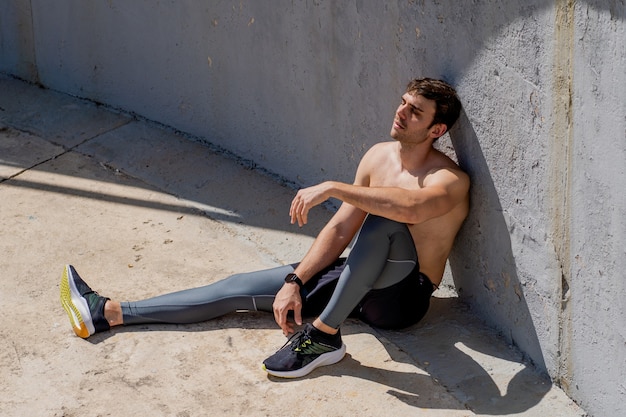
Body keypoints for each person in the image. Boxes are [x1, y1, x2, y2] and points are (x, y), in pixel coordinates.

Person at [60, 77, 469, 379]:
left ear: (437, 130)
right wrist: (295, 280)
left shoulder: (449, 179)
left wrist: (331, 186)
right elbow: (342, 229)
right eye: (402, 103)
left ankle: (324, 336)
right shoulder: (378, 156)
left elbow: (412, 210)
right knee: (238, 287)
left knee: (382, 220)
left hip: (400, 298)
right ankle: (108, 313)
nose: (401, 112)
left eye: (415, 111)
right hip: (357, 277)